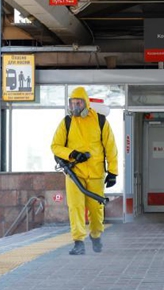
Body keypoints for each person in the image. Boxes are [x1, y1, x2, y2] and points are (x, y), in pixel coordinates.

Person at [51, 86, 119, 255]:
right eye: (72, 103)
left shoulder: (100, 121)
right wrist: (72, 154)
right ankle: (78, 241)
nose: (75, 106)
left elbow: (111, 148)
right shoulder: (67, 123)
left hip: (96, 174)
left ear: (86, 103)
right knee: (75, 207)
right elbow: (55, 146)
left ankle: (96, 236)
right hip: (75, 174)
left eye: (78, 103)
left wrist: (113, 172)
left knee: (96, 208)